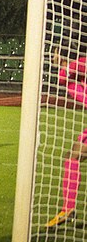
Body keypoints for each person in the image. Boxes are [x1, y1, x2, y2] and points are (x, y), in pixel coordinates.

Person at [45, 44, 87, 227]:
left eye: (55, 54)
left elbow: (73, 71)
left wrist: (69, 66)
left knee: (73, 158)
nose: (53, 58)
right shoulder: (70, 74)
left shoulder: (81, 64)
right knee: (72, 157)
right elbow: (65, 77)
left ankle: (68, 209)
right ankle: (68, 209)